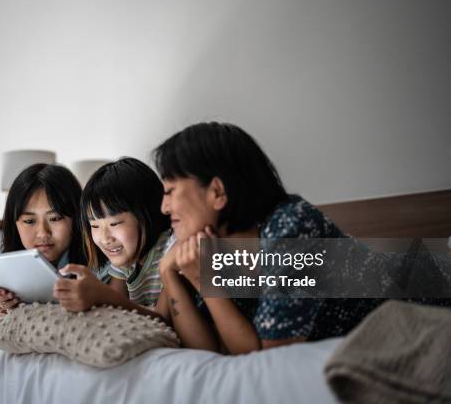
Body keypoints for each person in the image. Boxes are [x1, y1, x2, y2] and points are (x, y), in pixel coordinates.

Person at [152, 122, 385, 354]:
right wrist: (168, 273)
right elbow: (206, 351)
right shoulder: (211, 247)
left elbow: (267, 356)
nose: (164, 207)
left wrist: (207, 281)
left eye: (170, 191)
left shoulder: (294, 227)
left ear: (218, 192)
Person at [0, 163, 87, 331]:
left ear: (76, 218)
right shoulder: (3, 255)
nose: (43, 233)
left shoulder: (94, 254)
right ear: (15, 225)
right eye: (29, 221)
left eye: (55, 218)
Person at [53, 157, 173, 319]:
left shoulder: (171, 248)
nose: (104, 238)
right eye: (94, 226)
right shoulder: (124, 257)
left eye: (115, 223)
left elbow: (165, 319)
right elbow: (115, 311)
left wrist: (104, 295)